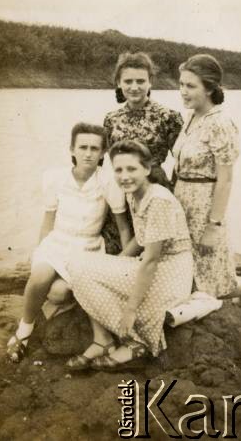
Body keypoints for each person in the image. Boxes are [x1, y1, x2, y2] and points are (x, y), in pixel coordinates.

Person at [6, 123, 131, 362]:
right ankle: (24, 331)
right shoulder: (55, 178)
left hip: (87, 247)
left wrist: (125, 265)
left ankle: (60, 305)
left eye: (95, 148)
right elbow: (48, 220)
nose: (88, 153)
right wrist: (38, 251)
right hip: (58, 242)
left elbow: (123, 226)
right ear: (71, 149)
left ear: (103, 152)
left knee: (58, 292)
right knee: (41, 275)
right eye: (82, 147)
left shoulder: (108, 182)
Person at [66, 140, 193, 371]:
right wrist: (116, 262)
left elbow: (152, 259)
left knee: (85, 270)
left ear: (147, 169)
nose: (124, 176)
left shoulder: (158, 200)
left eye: (131, 169)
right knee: (78, 265)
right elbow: (141, 239)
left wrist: (130, 310)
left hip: (170, 273)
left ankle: (137, 342)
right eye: (119, 170)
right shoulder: (136, 194)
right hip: (152, 265)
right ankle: (102, 340)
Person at [173, 54, 241, 309]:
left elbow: (226, 180)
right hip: (182, 205)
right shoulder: (191, 117)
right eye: (181, 84)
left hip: (204, 210)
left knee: (215, 284)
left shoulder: (221, 123)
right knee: (190, 276)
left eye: (190, 86)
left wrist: (214, 225)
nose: (183, 92)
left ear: (209, 88)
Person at [101, 51, 184, 255]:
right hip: (121, 190)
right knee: (120, 249)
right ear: (118, 83)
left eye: (141, 81)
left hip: (153, 191)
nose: (134, 87)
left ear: (150, 83)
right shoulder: (111, 119)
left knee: (154, 253)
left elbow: (182, 161)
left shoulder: (168, 117)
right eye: (128, 81)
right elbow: (104, 164)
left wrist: (174, 193)